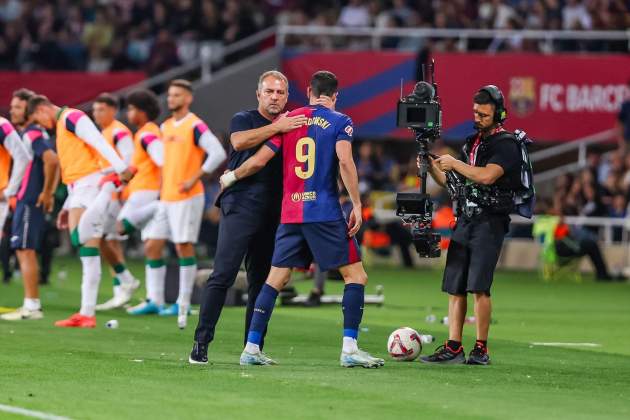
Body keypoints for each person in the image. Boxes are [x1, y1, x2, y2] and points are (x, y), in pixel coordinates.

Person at [206, 71, 383, 368]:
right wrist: (355, 203)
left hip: (290, 213)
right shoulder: (341, 121)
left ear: (309, 92)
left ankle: (251, 348)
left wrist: (232, 176)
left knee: (275, 279)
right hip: (324, 211)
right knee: (356, 276)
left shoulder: (290, 121)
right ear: (334, 96)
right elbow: (344, 160)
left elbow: (260, 160)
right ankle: (350, 348)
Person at [190, 70, 307, 362]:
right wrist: (279, 127)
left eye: (280, 92)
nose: (275, 97)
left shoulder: (293, 126)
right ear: (258, 95)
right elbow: (240, 142)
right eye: (269, 92)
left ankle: (252, 347)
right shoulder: (244, 119)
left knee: (262, 281)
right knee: (223, 274)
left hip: (274, 211)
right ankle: (200, 343)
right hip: (241, 205)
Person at [421, 85, 522, 365]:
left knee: (480, 286)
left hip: (490, 221)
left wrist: (454, 163)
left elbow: (488, 176)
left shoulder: (507, 144)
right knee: (455, 285)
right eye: (476, 112)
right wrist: (431, 166)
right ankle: (454, 346)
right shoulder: (472, 142)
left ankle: (481, 348)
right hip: (466, 218)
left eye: (484, 114)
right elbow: (452, 183)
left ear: (499, 114)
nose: (478, 118)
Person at [28, 95, 134, 328]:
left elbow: (98, 141)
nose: (41, 125)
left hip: (89, 184)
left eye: (37, 118)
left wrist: (121, 169)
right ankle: (86, 313)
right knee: (85, 245)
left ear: (43, 109)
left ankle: (110, 185)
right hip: (79, 187)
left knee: (83, 239)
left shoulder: (72, 117)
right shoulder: (64, 124)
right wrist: (66, 206)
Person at [144, 79, 226, 329]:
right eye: (170, 95)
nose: (171, 99)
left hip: (187, 197)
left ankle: (183, 301)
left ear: (188, 98)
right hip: (167, 197)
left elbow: (218, 153)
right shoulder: (166, 125)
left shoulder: (194, 125)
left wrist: (194, 178)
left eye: (177, 95)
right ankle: (155, 299)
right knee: (152, 245)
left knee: (183, 247)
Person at [1, 108, 60, 321]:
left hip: (25, 199)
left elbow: (49, 160)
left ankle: (32, 304)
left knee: (26, 249)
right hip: (24, 198)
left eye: (18, 107)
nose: (13, 111)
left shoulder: (28, 133)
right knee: (22, 249)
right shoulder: (30, 134)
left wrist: (47, 192)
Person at [117, 89, 167, 315]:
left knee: (115, 229)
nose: (128, 113)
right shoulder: (145, 133)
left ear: (142, 111)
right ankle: (154, 299)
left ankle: (161, 209)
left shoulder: (148, 134)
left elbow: (162, 159)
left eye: (131, 109)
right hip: (143, 191)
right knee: (151, 248)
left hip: (147, 193)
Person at [91, 93, 140, 311]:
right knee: (109, 240)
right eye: (94, 110)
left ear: (113, 110)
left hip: (116, 192)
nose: (96, 114)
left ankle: (124, 285)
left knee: (105, 239)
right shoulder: (105, 132)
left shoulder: (119, 132)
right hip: (107, 191)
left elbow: (128, 161)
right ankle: (121, 289)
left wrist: (119, 186)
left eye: (101, 109)